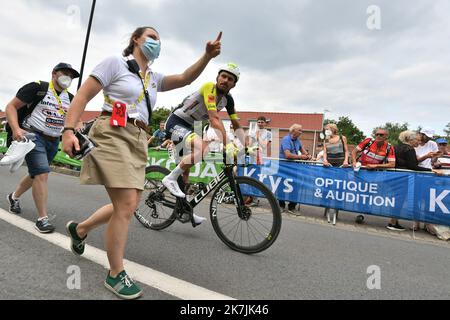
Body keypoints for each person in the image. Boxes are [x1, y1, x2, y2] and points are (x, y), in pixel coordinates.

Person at [61, 26, 222, 300]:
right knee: (125, 205)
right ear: (136, 39)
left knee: (129, 203)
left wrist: (206, 56)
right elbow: (83, 95)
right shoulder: (115, 63)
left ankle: (80, 229)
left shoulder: (154, 77)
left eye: (159, 39)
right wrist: (68, 129)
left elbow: (184, 78)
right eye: (151, 37)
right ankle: (115, 273)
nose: (156, 42)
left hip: (138, 137)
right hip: (112, 131)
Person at [162, 62, 244, 222]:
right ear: (218, 77)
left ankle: (184, 209)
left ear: (234, 84)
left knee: (186, 172)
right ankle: (169, 178)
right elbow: (214, 119)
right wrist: (228, 144)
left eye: (230, 79)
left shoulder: (229, 100)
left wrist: (244, 146)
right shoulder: (209, 88)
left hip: (194, 125)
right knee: (203, 149)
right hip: (176, 121)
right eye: (223, 76)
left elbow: (236, 124)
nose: (225, 80)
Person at [5, 62, 80, 233]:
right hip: (33, 136)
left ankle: (13, 196)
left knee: (36, 174)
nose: (68, 77)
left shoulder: (71, 97)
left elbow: (75, 118)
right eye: (64, 73)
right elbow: (11, 107)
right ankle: (42, 219)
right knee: (42, 173)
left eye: (71, 75)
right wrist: (16, 129)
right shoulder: (37, 88)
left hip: (54, 140)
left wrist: (78, 126)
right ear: (54, 73)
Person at [386, 131, 431, 231]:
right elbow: (413, 166)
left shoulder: (397, 147)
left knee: (397, 199)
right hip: (403, 177)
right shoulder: (409, 149)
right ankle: (392, 223)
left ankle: (394, 221)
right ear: (409, 140)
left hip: (394, 176)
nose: (418, 143)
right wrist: (430, 170)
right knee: (399, 199)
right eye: (417, 140)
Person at [351, 128, 396, 223]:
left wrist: (376, 165)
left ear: (386, 136)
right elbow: (354, 151)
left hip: (374, 173)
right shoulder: (368, 141)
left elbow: (392, 164)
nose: (378, 136)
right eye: (377, 134)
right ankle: (360, 211)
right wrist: (354, 161)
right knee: (360, 192)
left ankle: (362, 212)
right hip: (361, 171)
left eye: (381, 135)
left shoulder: (389, 147)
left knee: (369, 193)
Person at [279, 124, 311, 215]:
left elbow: (304, 151)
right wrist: (301, 157)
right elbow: (288, 155)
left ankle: (292, 207)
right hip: (284, 166)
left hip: (294, 167)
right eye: (300, 130)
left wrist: (309, 156)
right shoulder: (286, 139)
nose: (302, 132)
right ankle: (280, 206)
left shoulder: (298, 141)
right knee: (282, 186)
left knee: (295, 186)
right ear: (293, 131)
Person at [321, 123, 349, 224]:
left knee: (339, 187)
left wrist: (346, 161)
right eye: (325, 130)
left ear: (333, 129)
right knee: (327, 186)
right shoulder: (325, 140)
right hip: (329, 165)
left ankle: (337, 210)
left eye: (327, 129)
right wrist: (324, 160)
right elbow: (325, 152)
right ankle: (326, 207)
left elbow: (346, 151)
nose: (326, 131)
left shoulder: (342, 138)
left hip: (341, 164)